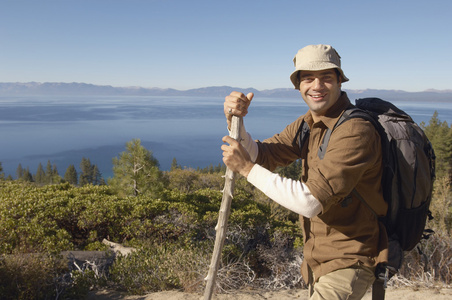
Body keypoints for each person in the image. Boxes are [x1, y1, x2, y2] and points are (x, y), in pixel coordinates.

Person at [221, 44, 388, 300]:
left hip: (349, 258)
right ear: (298, 85)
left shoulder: (355, 130)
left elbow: (310, 201)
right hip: (319, 260)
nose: (317, 85)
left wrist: (245, 169)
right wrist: (236, 122)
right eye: (308, 78)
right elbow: (263, 154)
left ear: (340, 81)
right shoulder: (308, 124)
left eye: (327, 78)